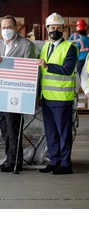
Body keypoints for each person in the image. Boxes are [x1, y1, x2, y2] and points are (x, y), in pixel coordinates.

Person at [0, 15, 36, 172]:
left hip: (16, 93)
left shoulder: (26, 45)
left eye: (9, 27)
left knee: (14, 129)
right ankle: (9, 158)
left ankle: (16, 161)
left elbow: (30, 69)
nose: (6, 30)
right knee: (5, 129)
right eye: (3, 27)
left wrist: (7, 65)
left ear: (16, 28)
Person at [37, 12, 77, 175]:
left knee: (63, 133)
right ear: (47, 29)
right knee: (51, 132)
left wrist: (48, 66)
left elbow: (67, 70)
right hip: (47, 98)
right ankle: (55, 161)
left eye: (58, 27)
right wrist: (39, 94)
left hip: (61, 98)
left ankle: (66, 164)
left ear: (63, 29)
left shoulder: (70, 48)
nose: (54, 30)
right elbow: (40, 73)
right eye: (52, 27)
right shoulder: (46, 46)